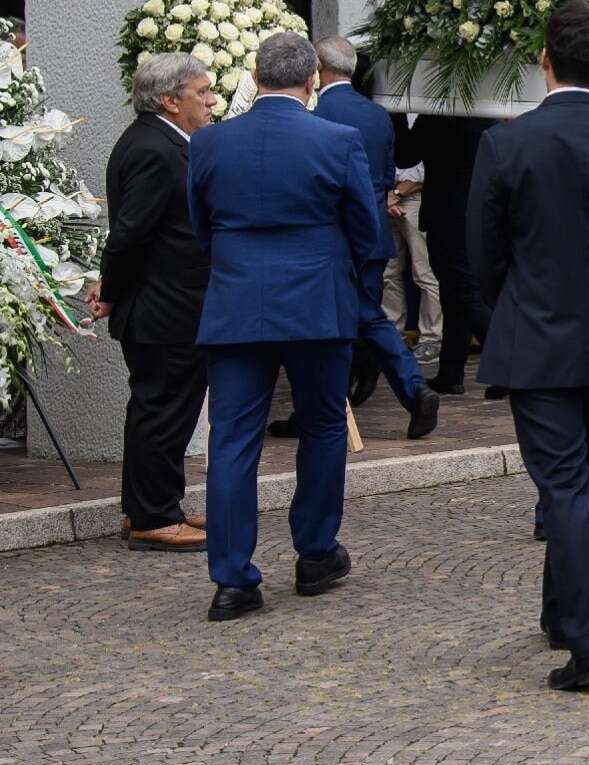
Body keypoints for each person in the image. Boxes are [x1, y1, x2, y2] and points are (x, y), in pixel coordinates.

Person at [471, 3, 589, 691]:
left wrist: (515, 307)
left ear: (544, 59)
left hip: (540, 334)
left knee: (565, 488)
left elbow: (483, 255)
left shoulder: (507, 143)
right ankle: (561, 612)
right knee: (584, 476)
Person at [187, 33, 381, 623]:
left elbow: (201, 226)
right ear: (313, 80)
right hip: (317, 304)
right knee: (323, 427)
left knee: (233, 439)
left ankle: (232, 579)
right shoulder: (337, 138)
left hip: (237, 301)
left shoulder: (210, 142)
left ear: (255, 74)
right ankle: (315, 553)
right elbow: (366, 231)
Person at [93, 52, 217, 553]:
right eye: (201, 92)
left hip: (170, 305)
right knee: (161, 413)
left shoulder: (165, 141)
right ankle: (152, 516)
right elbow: (130, 236)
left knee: (163, 412)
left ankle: (152, 504)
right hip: (163, 309)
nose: (211, 100)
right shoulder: (154, 149)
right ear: (169, 101)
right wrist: (112, 289)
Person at [312, 38, 437, 440]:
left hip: (330, 236)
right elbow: (386, 175)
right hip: (373, 233)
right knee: (368, 314)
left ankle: (320, 407)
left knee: (323, 323)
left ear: (319, 68)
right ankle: (413, 388)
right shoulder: (377, 114)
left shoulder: (315, 112)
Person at [414, 113, 493, 395]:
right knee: (456, 292)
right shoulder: (487, 117)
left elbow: (406, 155)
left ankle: (508, 363)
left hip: (446, 213)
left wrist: (397, 115)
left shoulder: (437, 117)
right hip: (478, 211)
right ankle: (451, 370)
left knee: (462, 289)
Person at [382, 114, 441, 373]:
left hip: (415, 197)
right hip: (388, 197)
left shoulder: (426, 114)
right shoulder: (387, 112)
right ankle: (391, 334)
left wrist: (397, 194)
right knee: (389, 271)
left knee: (424, 273)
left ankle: (432, 338)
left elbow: (430, 166)